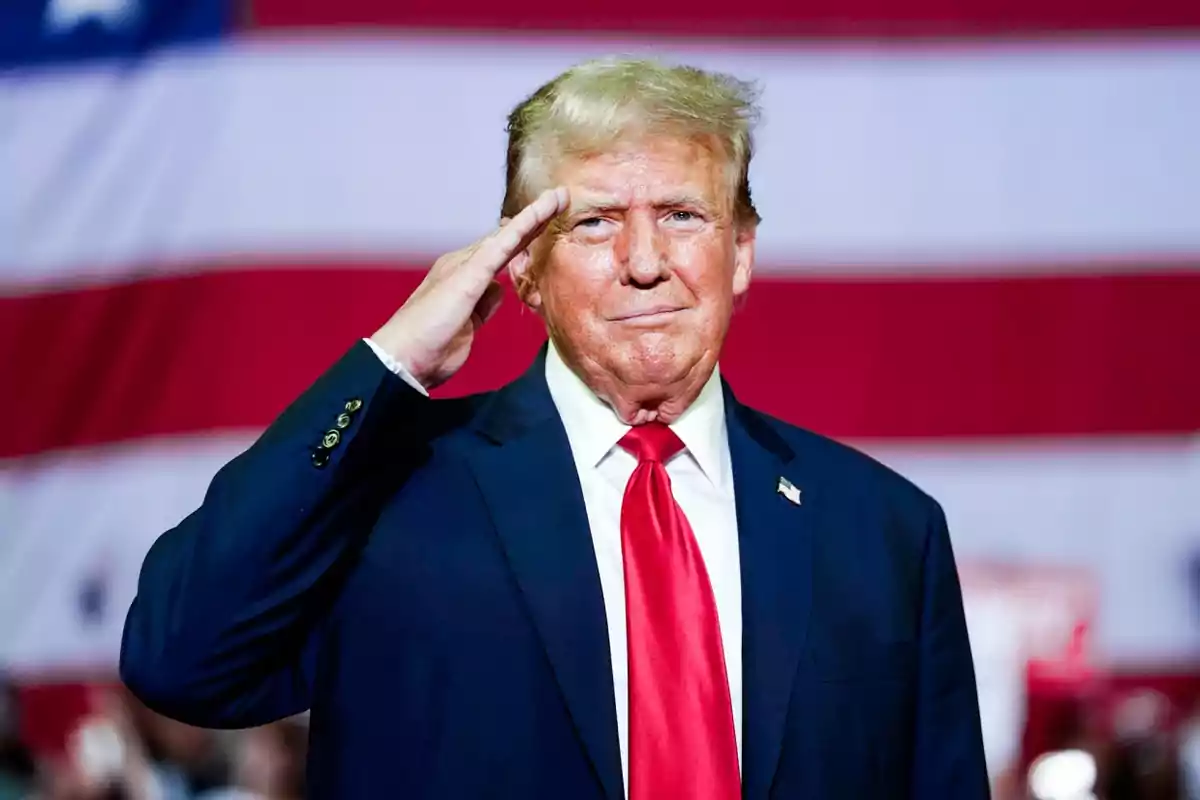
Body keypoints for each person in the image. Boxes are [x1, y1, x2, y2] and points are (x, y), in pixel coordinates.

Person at [119, 57, 989, 799]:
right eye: (596, 222)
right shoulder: (391, 493)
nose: (645, 264)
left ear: (742, 252)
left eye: (683, 216)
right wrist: (387, 364)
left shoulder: (882, 534)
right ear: (523, 270)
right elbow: (179, 658)